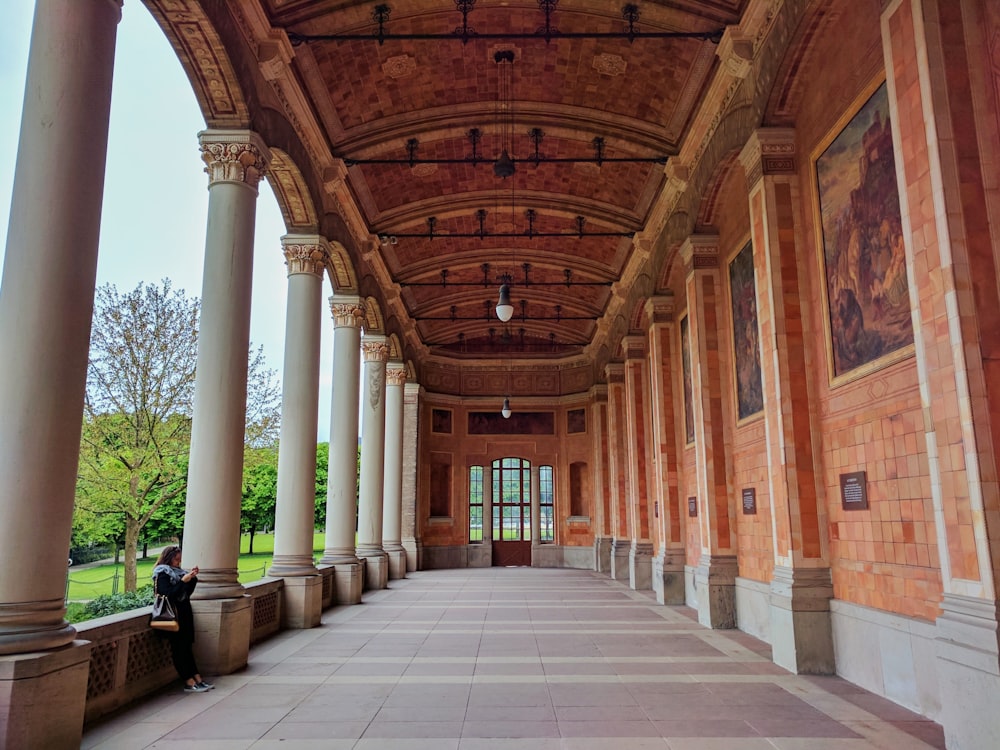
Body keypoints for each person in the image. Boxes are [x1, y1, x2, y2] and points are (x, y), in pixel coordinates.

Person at [152, 545, 214, 693]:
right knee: (178, 649)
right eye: (176, 559)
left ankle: (197, 678)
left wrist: (192, 578)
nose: (178, 563)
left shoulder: (178, 572)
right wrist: (183, 581)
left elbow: (186, 593)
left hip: (184, 613)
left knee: (187, 647)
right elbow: (168, 594)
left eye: (180, 560)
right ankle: (188, 681)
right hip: (172, 615)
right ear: (169, 558)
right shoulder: (162, 573)